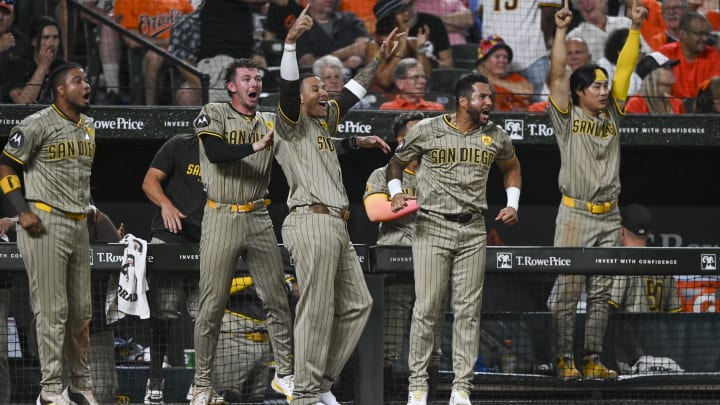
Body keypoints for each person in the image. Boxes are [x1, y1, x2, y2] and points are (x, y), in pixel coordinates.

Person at [273, 7, 394, 404]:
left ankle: (316, 384)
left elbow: (353, 91)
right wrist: (291, 43)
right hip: (310, 218)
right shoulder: (289, 121)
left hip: (336, 224)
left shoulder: (324, 122)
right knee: (317, 308)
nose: (323, 93)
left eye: (323, 90)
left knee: (359, 304)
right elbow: (290, 88)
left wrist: (379, 57)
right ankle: (307, 392)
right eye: (317, 90)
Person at [387, 73, 521, 405]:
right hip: (432, 226)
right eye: (483, 97)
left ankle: (462, 389)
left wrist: (513, 203)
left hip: (473, 229)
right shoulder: (427, 130)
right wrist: (394, 194)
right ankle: (417, 386)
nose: (489, 102)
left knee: (467, 311)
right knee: (427, 307)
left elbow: (512, 167)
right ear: (463, 101)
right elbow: (395, 163)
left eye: (490, 97)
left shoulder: (496, 135)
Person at [547, 0, 645, 380]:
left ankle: (591, 358)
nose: (604, 91)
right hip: (575, 214)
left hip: (609, 216)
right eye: (597, 87)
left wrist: (635, 28)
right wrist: (559, 30)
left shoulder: (613, 115)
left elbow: (626, 67)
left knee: (602, 295)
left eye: (605, 86)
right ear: (579, 92)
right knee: (569, 293)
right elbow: (557, 72)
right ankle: (563, 359)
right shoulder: (566, 115)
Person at [189, 58, 295, 405]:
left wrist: (352, 144)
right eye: (247, 78)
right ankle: (202, 384)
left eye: (258, 78)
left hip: (258, 216)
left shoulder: (268, 121)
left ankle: (287, 375)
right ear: (232, 86)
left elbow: (306, 149)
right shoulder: (214, 111)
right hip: (221, 214)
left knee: (277, 300)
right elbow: (216, 152)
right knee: (212, 305)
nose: (255, 83)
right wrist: (256, 146)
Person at [0, 61, 98, 404]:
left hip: (78, 223)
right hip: (44, 222)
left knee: (82, 312)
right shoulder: (37, 123)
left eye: (86, 80)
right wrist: (21, 210)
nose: (86, 85)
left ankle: (80, 384)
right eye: (78, 80)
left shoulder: (89, 127)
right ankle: (51, 389)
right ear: (60, 89)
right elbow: (6, 164)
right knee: (52, 311)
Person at [141, 133, 205, 405]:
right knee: (164, 310)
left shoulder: (226, 152)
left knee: (206, 316)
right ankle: (155, 379)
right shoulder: (180, 145)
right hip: (171, 234)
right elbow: (149, 181)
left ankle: (202, 383)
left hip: (206, 238)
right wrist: (166, 204)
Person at [186, 274, 298, 403]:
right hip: (231, 336)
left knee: (255, 399)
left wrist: (281, 285)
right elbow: (212, 289)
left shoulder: (271, 259)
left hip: (263, 337)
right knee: (225, 397)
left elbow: (290, 282)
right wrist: (279, 285)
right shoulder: (218, 260)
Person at [112, 0, 194, 105]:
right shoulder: (126, 2)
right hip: (146, 51)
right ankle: (150, 109)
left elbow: (194, 22)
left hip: (181, 49)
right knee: (154, 56)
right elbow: (131, 40)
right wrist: (167, 42)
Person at [480, 0, 560, 100]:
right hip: (531, 52)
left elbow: (482, 14)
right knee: (544, 105)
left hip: (494, 54)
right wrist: (543, 41)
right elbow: (549, 13)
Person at [366, 0, 433, 94]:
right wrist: (401, 50)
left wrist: (420, 49)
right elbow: (384, 81)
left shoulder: (413, 42)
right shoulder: (374, 46)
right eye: (401, 12)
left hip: (412, 98)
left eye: (406, 10)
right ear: (388, 17)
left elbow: (426, 77)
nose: (407, 14)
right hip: (382, 102)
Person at [2, 15, 64, 104]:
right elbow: (23, 102)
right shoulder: (16, 67)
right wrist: (43, 66)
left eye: (55, 37)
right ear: (34, 41)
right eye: (46, 37)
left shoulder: (63, 68)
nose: (52, 43)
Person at [295, 0, 372, 71]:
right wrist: (345, 60)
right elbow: (307, 63)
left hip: (358, 76)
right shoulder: (301, 27)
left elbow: (366, 45)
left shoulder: (350, 18)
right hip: (319, 80)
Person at [658, 11, 720, 99]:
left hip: (702, 108)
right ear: (683, 34)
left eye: (706, 34)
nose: (705, 38)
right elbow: (659, 91)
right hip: (671, 108)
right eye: (700, 34)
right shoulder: (665, 53)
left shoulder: (712, 54)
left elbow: (714, 92)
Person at [567, 0, 651, 64]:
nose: (586, 4)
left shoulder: (624, 22)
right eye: (581, 2)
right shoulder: (574, 36)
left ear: (602, 2)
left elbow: (647, 51)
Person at [474, 35, 534, 111]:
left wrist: (495, 80)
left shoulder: (515, 77)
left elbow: (528, 91)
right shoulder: (479, 82)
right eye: (497, 56)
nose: (502, 60)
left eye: (505, 57)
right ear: (484, 61)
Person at [379, 57, 445, 111]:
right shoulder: (387, 109)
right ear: (400, 83)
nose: (423, 81)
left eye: (423, 77)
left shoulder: (437, 109)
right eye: (415, 77)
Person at [597, 28, 643, 96]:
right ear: (619, 52)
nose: (639, 52)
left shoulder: (636, 77)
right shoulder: (604, 64)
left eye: (639, 47)